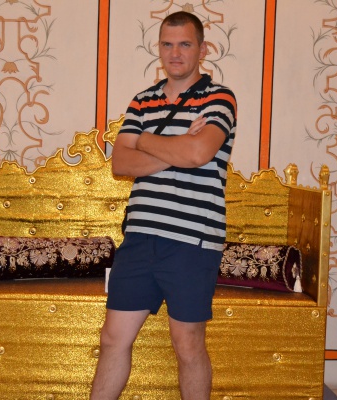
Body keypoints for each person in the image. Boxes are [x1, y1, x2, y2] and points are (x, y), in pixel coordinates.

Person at [90, 11, 237, 400]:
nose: (175, 53)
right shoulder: (143, 101)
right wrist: (178, 148)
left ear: (202, 49)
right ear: (159, 48)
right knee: (112, 338)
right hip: (139, 238)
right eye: (167, 44)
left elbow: (199, 153)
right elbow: (121, 163)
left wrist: (143, 141)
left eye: (185, 44)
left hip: (193, 240)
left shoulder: (219, 97)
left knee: (187, 343)